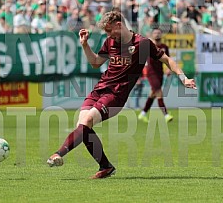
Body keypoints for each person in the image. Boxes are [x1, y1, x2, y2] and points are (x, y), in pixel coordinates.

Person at [47, 11, 196, 179]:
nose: (109, 35)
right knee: (82, 125)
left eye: (110, 31)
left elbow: (167, 60)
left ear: (119, 24)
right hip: (99, 89)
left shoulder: (143, 43)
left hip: (116, 95)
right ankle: (106, 166)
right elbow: (96, 63)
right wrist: (85, 45)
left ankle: (57, 153)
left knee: (87, 121)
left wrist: (183, 78)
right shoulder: (110, 41)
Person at [138, 28, 173, 123]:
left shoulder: (164, 47)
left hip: (160, 73)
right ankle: (166, 115)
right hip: (151, 72)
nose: (157, 34)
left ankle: (143, 113)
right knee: (158, 92)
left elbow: (167, 60)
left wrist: (169, 69)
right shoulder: (149, 46)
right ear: (152, 35)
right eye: (155, 33)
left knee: (153, 94)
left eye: (159, 33)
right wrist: (140, 75)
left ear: (161, 35)